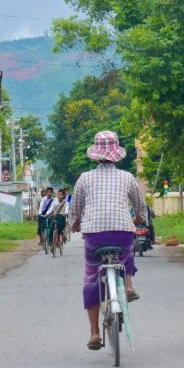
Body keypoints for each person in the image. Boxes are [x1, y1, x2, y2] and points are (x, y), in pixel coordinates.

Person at [70, 130, 147, 351]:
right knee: (127, 251)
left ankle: (94, 333)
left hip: (94, 234)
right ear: (116, 154)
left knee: (91, 277)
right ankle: (129, 286)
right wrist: (139, 219)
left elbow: (75, 210)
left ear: (95, 154)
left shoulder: (85, 178)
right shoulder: (127, 177)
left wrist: (75, 225)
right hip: (122, 231)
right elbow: (140, 206)